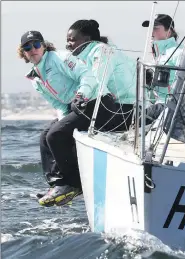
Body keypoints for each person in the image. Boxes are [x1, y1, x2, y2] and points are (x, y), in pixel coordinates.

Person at [17, 30, 122, 207]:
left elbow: (88, 76)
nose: (32, 49)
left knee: (55, 135)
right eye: (27, 47)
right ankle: (58, 184)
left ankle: (74, 184)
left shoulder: (59, 58)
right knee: (46, 136)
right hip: (76, 108)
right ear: (23, 52)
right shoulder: (35, 78)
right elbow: (58, 105)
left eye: (36, 44)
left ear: (43, 46)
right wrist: (64, 122)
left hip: (98, 103)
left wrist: (81, 96)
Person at [66, 19, 165, 129]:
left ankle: (161, 109)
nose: (68, 45)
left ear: (87, 39)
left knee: (59, 133)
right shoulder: (88, 56)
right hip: (123, 105)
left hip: (130, 106)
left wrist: (81, 97)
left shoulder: (102, 51)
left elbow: (98, 81)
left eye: (72, 40)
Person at [142, 14, 183, 103]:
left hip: (169, 105)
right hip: (155, 104)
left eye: (155, 28)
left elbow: (184, 83)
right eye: (150, 29)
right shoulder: (158, 55)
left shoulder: (178, 52)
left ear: (169, 31)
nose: (151, 32)